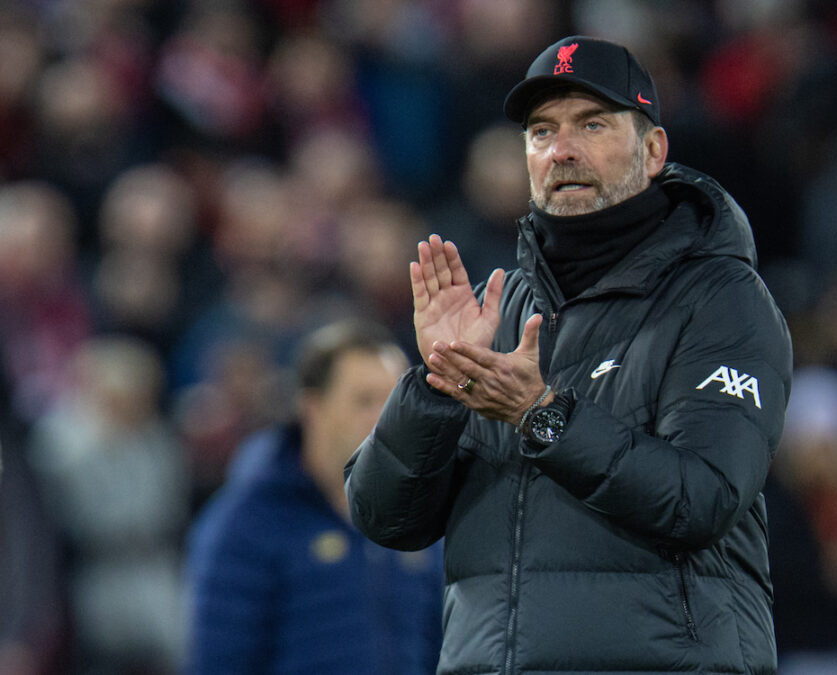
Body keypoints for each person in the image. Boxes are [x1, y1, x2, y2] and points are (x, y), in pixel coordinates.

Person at [346, 35, 793, 674]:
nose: (562, 150)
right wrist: (438, 385)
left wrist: (542, 414)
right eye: (541, 131)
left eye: (593, 124)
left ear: (655, 149)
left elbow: (701, 498)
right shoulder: (496, 311)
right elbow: (382, 517)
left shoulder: (720, 297)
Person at [185, 320, 443, 674]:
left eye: (395, 400)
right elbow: (221, 659)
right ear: (312, 406)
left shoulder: (420, 519)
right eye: (364, 401)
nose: (385, 418)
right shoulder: (247, 522)